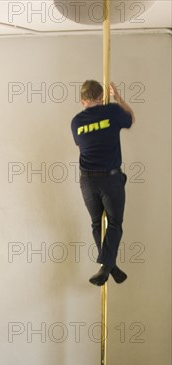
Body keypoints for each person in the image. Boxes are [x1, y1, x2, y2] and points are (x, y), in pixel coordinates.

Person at [71, 80, 135, 286]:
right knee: (115, 223)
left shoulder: (76, 122)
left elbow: (85, 143)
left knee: (97, 223)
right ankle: (108, 266)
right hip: (111, 179)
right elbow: (131, 119)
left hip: (87, 181)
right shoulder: (114, 111)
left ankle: (107, 266)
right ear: (101, 96)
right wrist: (118, 98)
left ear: (83, 101)